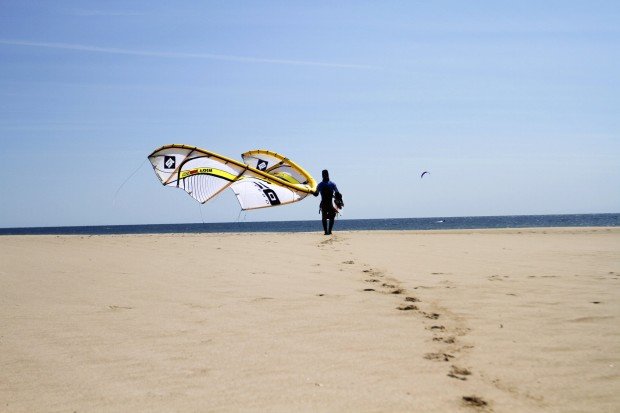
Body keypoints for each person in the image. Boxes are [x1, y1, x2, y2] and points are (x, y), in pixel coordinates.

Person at [313, 169, 343, 235]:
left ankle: (326, 232)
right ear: (328, 175)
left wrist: (311, 191)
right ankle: (329, 231)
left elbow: (316, 194)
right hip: (330, 203)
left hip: (323, 203)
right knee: (332, 216)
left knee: (324, 217)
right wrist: (340, 201)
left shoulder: (320, 185)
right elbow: (337, 193)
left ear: (322, 175)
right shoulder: (332, 184)